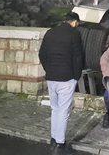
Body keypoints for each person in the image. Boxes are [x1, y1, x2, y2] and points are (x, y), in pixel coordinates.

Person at [38, 11, 84, 154]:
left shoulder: (50, 32)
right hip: (67, 78)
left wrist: (48, 69)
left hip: (51, 77)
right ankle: (60, 143)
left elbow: (42, 54)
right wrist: (76, 76)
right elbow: (78, 57)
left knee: (55, 108)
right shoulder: (74, 34)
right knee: (64, 110)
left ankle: (53, 138)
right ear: (75, 22)